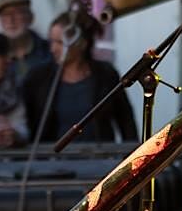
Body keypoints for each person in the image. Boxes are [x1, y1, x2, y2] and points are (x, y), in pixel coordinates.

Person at [23, 10, 137, 143]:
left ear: (81, 43)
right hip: (52, 154)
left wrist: (134, 152)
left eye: (60, 42)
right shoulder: (38, 77)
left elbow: (125, 120)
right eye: (51, 41)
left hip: (100, 153)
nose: (53, 49)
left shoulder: (105, 74)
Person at [0, 0, 51, 88]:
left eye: (17, 13)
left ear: (30, 17)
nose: (11, 20)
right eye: (5, 15)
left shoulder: (49, 50)